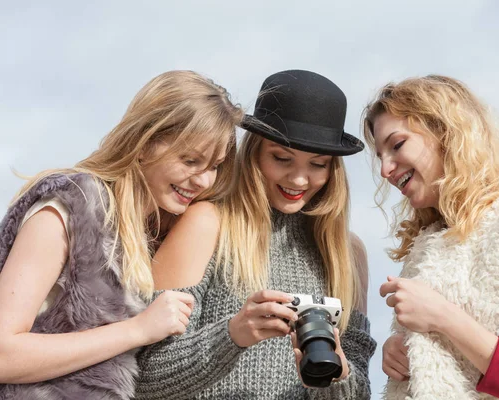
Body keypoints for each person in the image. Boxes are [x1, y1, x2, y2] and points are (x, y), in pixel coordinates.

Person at [0, 70, 244, 399]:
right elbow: (2, 354)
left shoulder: (149, 235)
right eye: (190, 161)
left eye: (214, 166)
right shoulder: (70, 206)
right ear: (144, 143)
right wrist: (137, 330)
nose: (202, 181)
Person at [135, 69, 377, 399]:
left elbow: (360, 392)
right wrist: (233, 335)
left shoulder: (348, 253)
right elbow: (142, 374)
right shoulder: (208, 223)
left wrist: (335, 374)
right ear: (255, 154)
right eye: (282, 158)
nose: (300, 179)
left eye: (318, 164)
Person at [363, 75, 499, 400]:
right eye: (380, 155)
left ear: (445, 134)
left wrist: (443, 317)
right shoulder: (425, 246)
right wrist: (406, 350)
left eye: (396, 145)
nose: (385, 169)